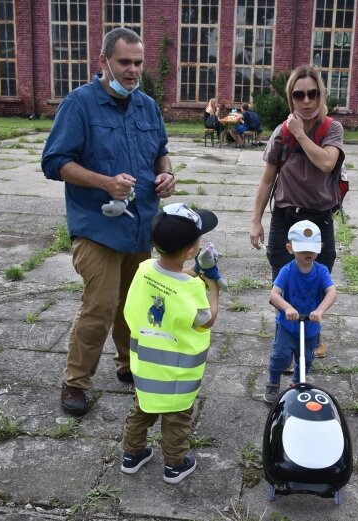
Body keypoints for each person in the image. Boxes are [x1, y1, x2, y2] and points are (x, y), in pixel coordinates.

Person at [41, 27, 176, 416]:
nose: (133, 70)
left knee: (133, 305)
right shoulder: (79, 104)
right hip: (96, 225)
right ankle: (76, 382)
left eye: (138, 63)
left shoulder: (147, 106)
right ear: (103, 62)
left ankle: (128, 365)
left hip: (141, 225)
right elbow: (54, 162)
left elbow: (161, 152)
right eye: (124, 62)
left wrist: (167, 175)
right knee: (100, 304)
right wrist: (104, 183)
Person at [120, 203, 221, 484]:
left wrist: (192, 270)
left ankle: (131, 455)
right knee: (177, 418)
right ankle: (175, 465)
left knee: (142, 409)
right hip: (177, 373)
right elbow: (206, 319)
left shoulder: (143, 269)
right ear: (191, 249)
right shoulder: (190, 289)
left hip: (145, 367)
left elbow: (168, 276)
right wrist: (213, 285)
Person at [249, 65, 344, 359]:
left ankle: (313, 335)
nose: (306, 101)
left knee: (317, 280)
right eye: (299, 94)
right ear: (291, 97)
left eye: (312, 94)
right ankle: (286, 343)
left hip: (318, 218)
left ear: (320, 95)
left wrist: (301, 134)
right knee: (283, 281)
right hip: (286, 218)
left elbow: (328, 163)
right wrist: (256, 221)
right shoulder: (281, 132)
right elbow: (267, 179)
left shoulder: (332, 129)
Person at [264, 220, 336, 403]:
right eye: (302, 248)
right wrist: (287, 307)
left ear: (319, 247)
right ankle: (273, 382)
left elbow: (331, 292)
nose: (308, 252)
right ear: (290, 248)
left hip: (311, 328)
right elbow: (274, 294)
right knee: (280, 356)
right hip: (288, 326)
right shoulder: (287, 271)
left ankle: (297, 384)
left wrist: (320, 310)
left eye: (312, 248)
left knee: (306, 360)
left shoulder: (321, 271)